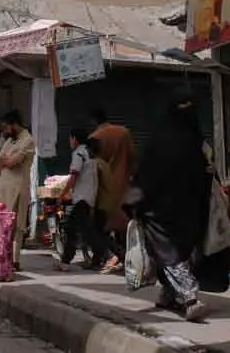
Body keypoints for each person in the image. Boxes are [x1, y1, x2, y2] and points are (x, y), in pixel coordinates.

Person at [131, 90, 211, 322]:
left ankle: (189, 297)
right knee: (174, 250)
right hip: (187, 206)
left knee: (170, 252)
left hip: (162, 207)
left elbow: (146, 172)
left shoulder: (162, 137)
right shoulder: (195, 139)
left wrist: (135, 199)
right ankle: (168, 292)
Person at [89, 107, 136, 273]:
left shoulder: (94, 138)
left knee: (101, 226)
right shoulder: (124, 132)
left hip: (105, 187)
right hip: (124, 184)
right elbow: (132, 155)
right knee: (124, 224)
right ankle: (126, 257)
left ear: (94, 121)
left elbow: (93, 165)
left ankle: (111, 257)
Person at [58, 128, 107, 271]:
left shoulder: (78, 153)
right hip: (89, 196)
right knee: (85, 230)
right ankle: (98, 257)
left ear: (75, 139)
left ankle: (67, 260)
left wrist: (62, 194)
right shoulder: (89, 152)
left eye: (70, 138)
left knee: (72, 229)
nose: (69, 142)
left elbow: (74, 176)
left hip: (82, 198)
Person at [0, 109, 36, 269]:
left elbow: (13, 161)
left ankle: (14, 260)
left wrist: (6, 159)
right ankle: (2, 257)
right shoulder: (10, 141)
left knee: (16, 226)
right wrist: (5, 159)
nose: (4, 131)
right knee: (2, 224)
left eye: (6, 127)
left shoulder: (28, 140)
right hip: (3, 187)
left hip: (18, 187)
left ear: (14, 125)